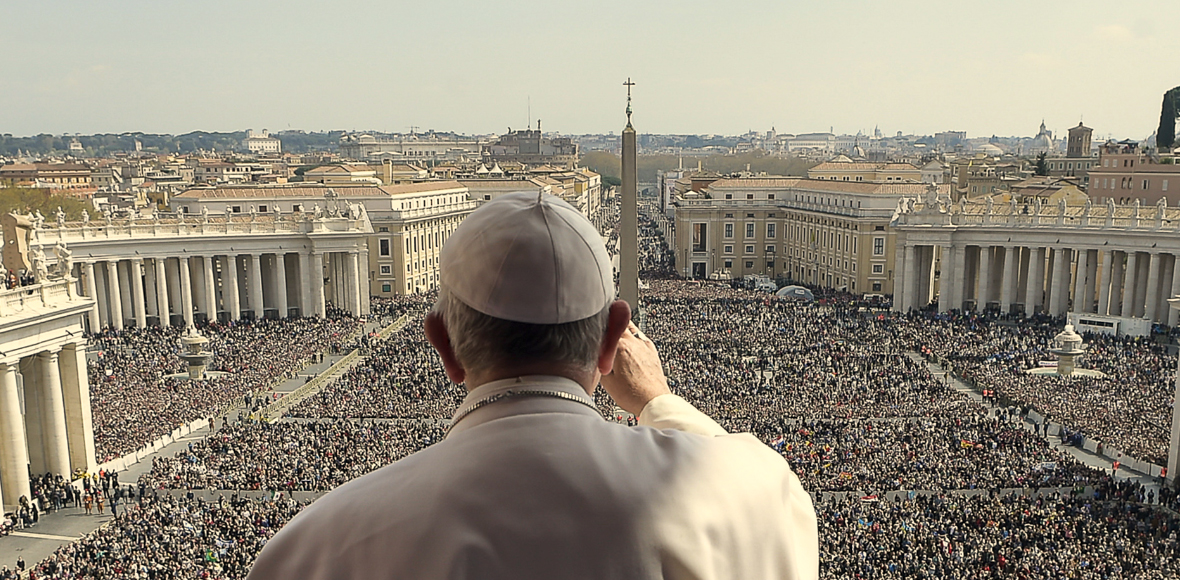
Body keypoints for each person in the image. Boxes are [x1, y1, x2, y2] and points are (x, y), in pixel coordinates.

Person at [247, 192, 818, 580]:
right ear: (613, 338)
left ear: (443, 345)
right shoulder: (748, 494)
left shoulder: (316, 549)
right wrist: (657, 402)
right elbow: (769, 501)